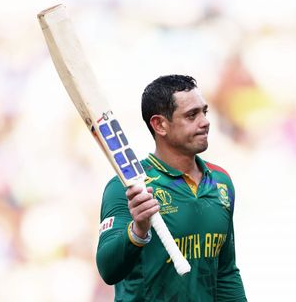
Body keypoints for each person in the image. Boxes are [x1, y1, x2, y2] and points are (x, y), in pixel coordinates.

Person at [96, 75, 247, 301]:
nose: (205, 121)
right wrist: (138, 230)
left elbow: (225, 272)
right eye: (191, 115)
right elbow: (108, 269)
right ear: (160, 125)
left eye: (204, 112)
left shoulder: (221, 181)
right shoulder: (126, 188)